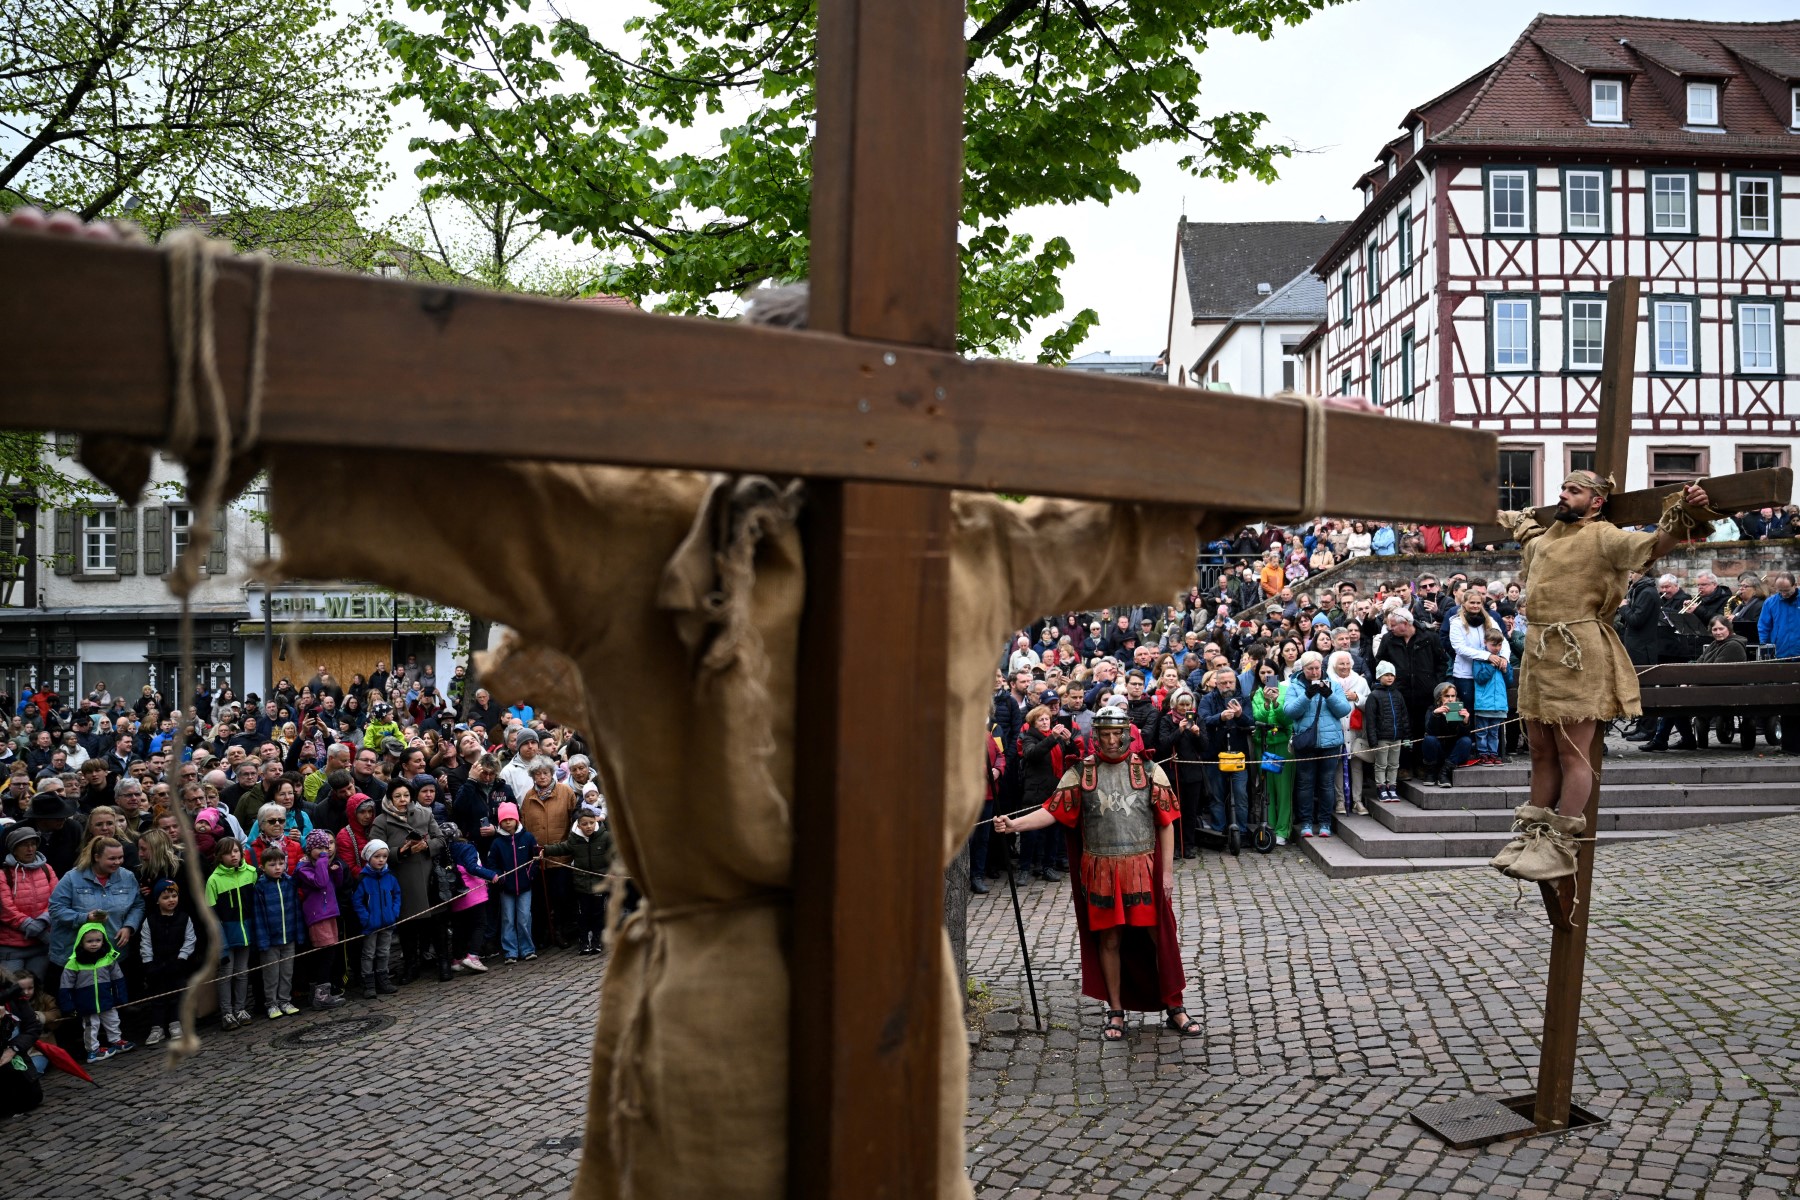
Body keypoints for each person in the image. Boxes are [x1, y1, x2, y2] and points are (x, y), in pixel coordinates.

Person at [1489, 473, 1715, 879]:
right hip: (1541, 650)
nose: (1562, 494)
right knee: (1539, 750)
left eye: (1573, 491)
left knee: (1571, 753)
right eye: (1562, 488)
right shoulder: (1544, 540)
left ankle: (1560, 844)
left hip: (1578, 648)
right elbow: (1527, 538)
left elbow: (1655, 545)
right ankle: (1532, 834)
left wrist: (1689, 508)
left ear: (1596, 502)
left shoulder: (1604, 535)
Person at [993, 707, 1194, 1043]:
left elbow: (1167, 823)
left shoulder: (1148, 770)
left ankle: (1175, 1006)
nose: (1112, 741)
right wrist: (1015, 825)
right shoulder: (1080, 773)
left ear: (1127, 734)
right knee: (1110, 940)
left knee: (1158, 938)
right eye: (1105, 734)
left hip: (1141, 870)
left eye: (1117, 734)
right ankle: (1115, 1010)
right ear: (1096, 736)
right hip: (1100, 871)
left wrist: (1167, 873)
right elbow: (1051, 810)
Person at [1283, 651, 1352, 839]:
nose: (1314, 672)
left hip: (1330, 742)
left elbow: (1344, 710)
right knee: (1305, 784)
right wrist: (1306, 696)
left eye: (1317, 668)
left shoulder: (1334, 684)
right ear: (1303, 669)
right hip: (1306, 743)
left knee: (1326, 784)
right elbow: (1289, 712)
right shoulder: (1295, 686)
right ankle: (1306, 822)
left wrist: (1329, 694)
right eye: (1310, 669)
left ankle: (1325, 822)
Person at [540, 804, 613, 956]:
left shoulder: (605, 837)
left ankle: (597, 940)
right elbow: (562, 848)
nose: (588, 827)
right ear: (578, 825)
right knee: (583, 913)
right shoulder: (574, 839)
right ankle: (584, 940)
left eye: (591, 823)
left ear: (596, 822)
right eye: (584, 824)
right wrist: (544, 850)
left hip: (600, 883)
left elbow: (615, 854)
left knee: (598, 913)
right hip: (581, 885)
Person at [58, 921, 130, 1063]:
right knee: (91, 1027)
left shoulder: (108, 958)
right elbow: (65, 986)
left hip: (106, 999)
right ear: (81, 942)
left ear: (103, 941)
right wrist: (68, 1006)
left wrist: (120, 996)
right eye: (89, 941)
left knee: (113, 1020)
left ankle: (116, 1040)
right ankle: (93, 1050)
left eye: (98, 940)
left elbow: (118, 979)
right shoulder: (74, 963)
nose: (94, 944)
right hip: (86, 1003)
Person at [136, 878, 196, 1045]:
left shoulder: (184, 918)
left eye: (174, 896)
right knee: (158, 996)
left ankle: (175, 1023)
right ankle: (157, 1027)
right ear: (157, 900)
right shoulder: (151, 920)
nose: (171, 900)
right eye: (166, 897)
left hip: (177, 964)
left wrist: (181, 958)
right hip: (157, 965)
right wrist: (148, 963)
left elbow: (190, 939)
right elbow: (145, 942)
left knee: (176, 995)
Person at [293, 830, 346, 1009]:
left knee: (330, 953)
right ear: (310, 849)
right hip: (318, 916)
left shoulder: (322, 864)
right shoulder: (304, 868)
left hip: (330, 913)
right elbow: (320, 883)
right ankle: (321, 996)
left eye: (327, 846)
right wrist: (324, 861)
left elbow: (335, 884)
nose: (325, 850)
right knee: (325, 954)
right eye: (320, 848)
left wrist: (336, 871)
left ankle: (321, 992)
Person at [0, 826, 56, 983]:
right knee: (12, 990)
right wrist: (30, 925)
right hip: (12, 948)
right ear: (14, 849)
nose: (30, 849)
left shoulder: (47, 869)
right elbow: (6, 909)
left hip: (40, 945)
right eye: (24, 845)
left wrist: (44, 920)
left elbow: (57, 899)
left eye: (33, 844)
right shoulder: (4, 874)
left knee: (37, 988)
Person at [485, 802, 539, 964]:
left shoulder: (528, 837)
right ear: (500, 822)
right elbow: (492, 864)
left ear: (517, 819)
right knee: (508, 919)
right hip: (506, 888)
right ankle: (510, 951)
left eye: (511, 818)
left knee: (524, 918)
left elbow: (534, 859)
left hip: (525, 886)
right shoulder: (497, 843)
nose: (508, 822)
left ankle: (527, 949)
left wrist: (530, 874)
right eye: (504, 819)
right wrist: (500, 877)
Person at [352, 840, 402, 998]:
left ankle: (383, 979)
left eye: (384, 856)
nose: (381, 860)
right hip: (370, 925)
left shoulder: (390, 877)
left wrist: (394, 913)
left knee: (384, 952)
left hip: (387, 922)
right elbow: (358, 901)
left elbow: (396, 895)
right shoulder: (363, 879)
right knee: (368, 953)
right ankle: (369, 983)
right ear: (369, 857)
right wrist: (366, 919)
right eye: (377, 856)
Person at [445, 822, 497, 972]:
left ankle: (456, 958)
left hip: (455, 895)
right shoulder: (466, 848)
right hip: (473, 892)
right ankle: (473, 956)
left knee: (459, 927)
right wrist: (491, 874)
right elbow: (472, 867)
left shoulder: (444, 851)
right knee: (480, 924)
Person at [1758, 572, 1800, 756]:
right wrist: (1766, 648)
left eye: (1787, 590)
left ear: (1795, 585)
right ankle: (1789, 744)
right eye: (1780, 590)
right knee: (1787, 703)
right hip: (1782, 656)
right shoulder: (1771, 602)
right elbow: (1764, 626)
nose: (1783, 594)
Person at [1361, 662, 1408, 803]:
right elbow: (1371, 720)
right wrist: (1373, 740)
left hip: (1396, 736)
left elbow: (1404, 716)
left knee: (1394, 764)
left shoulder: (1398, 694)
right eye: (1386, 674)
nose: (1389, 677)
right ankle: (1381, 788)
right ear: (1379, 676)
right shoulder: (1374, 695)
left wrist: (1406, 736)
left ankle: (1392, 787)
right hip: (1382, 737)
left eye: (1392, 675)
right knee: (1381, 764)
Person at [1470, 629, 1512, 766]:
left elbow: (1509, 681)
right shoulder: (1480, 659)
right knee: (1482, 732)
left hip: (1499, 704)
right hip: (1483, 703)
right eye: (1493, 645)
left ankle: (1493, 754)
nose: (1497, 648)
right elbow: (1480, 678)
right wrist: (1492, 666)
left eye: (1499, 645)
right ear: (1485, 643)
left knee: (1494, 732)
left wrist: (1505, 670)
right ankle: (1483, 754)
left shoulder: (1504, 659)